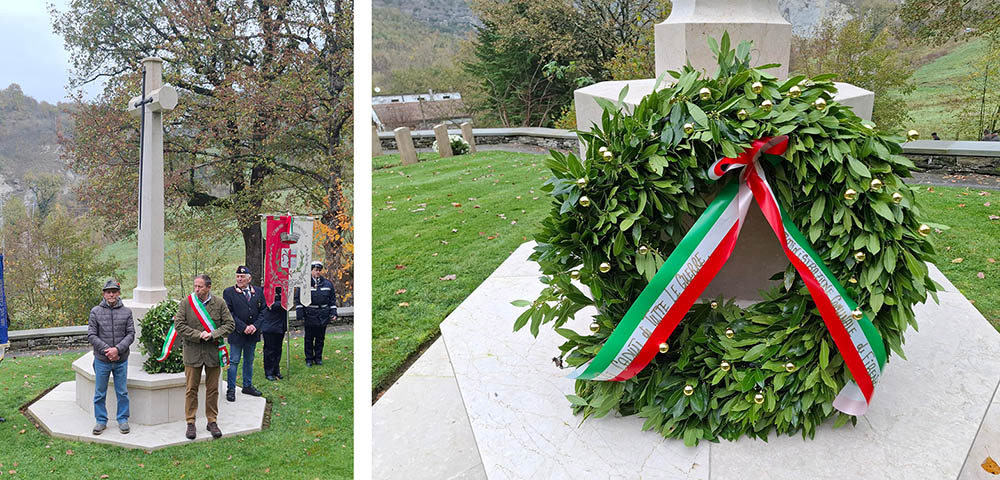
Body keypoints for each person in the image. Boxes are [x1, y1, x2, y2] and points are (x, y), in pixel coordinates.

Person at [172, 274, 234, 440]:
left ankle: (212, 420)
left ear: (208, 287)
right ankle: (190, 422)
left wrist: (213, 334)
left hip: (213, 352)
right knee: (191, 389)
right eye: (195, 286)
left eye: (200, 287)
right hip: (193, 352)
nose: (197, 289)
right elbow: (179, 325)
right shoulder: (186, 303)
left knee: (213, 389)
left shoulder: (219, 303)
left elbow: (230, 324)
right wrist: (198, 335)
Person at [87, 279, 134, 435]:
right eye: (108, 292)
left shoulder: (127, 312)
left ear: (119, 293)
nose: (111, 294)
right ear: (104, 294)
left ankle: (122, 419)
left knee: (122, 392)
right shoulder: (95, 311)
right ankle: (101, 421)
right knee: (100, 392)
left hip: (121, 360)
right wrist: (108, 350)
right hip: (102, 360)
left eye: (114, 291)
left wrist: (118, 350)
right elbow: (92, 335)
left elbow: (131, 334)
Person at [222, 266, 265, 402]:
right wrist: (243, 327)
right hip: (237, 333)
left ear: (249, 278)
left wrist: (254, 326)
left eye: (242, 277)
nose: (239, 279)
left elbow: (263, 311)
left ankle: (247, 386)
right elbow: (229, 313)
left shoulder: (257, 291)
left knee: (249, 360)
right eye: (237, 277)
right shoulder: (229, 292)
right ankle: (231, 389)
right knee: (234, 361)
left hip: (252, 333)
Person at [296, 261, 335, 366]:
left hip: (323, 314)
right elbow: (298, 299)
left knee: (320, 338)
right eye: (315, 270)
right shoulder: (304, 284)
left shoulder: (327, 284)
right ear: (311, 271)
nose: (317, 272)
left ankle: (318, 358)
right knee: (309, 338)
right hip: (310, 314)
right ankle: (309, 359)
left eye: (319, 270)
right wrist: (300, 313)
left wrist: (333, 313)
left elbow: (332, 300)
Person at [260, 286, 287, 381]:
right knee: (269, 350)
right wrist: (283, 304)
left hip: (280, 324)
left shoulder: (283, 289)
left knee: (278, 349)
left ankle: (276, 370)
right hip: (270, 324)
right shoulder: (265, 289)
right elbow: (269, 304)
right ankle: (269, 371)